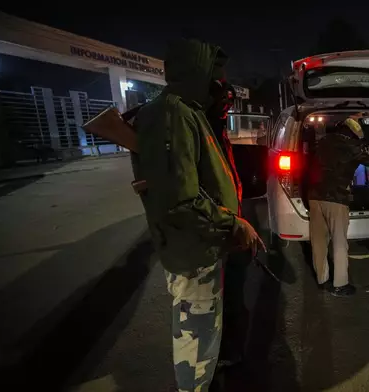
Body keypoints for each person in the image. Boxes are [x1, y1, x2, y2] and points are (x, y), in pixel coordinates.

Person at [130, 38, 264, 391]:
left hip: (203, 247)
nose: (220, 84)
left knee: (206, 339)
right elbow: (181, 200)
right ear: (197, 71)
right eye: (214, 75)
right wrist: (234, 224)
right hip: (192, 251)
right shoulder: (173, 115)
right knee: (196, 348)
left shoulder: (187, 112)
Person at [307, 115, 369, 296]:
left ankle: (322, 280)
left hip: (314, 196)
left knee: (319, 241)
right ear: (353, 134)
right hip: (336, 198)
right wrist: (365, 142)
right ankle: (340, 284)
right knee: (339, 241)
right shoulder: (352, 146)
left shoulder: (323, 141)